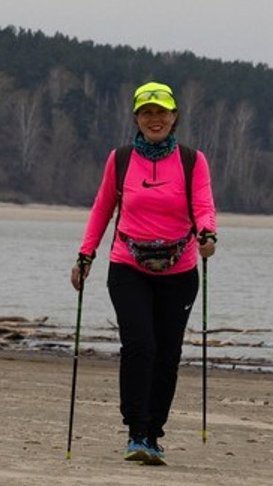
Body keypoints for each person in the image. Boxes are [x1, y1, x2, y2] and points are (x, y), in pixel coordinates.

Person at [71, 81, 217, 464]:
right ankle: (136, 432)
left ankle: (154, 433)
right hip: (127, 265)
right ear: (136, 118)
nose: (155, 119)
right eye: (147, 112)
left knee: (167, 354)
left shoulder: (192, 160)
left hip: (180, 269)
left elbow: (203, 204)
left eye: (162, 112)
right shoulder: (119, 159)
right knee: (140, 346)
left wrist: (208, 234)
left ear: (175, 116)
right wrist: (86, 255)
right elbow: (102, 209)